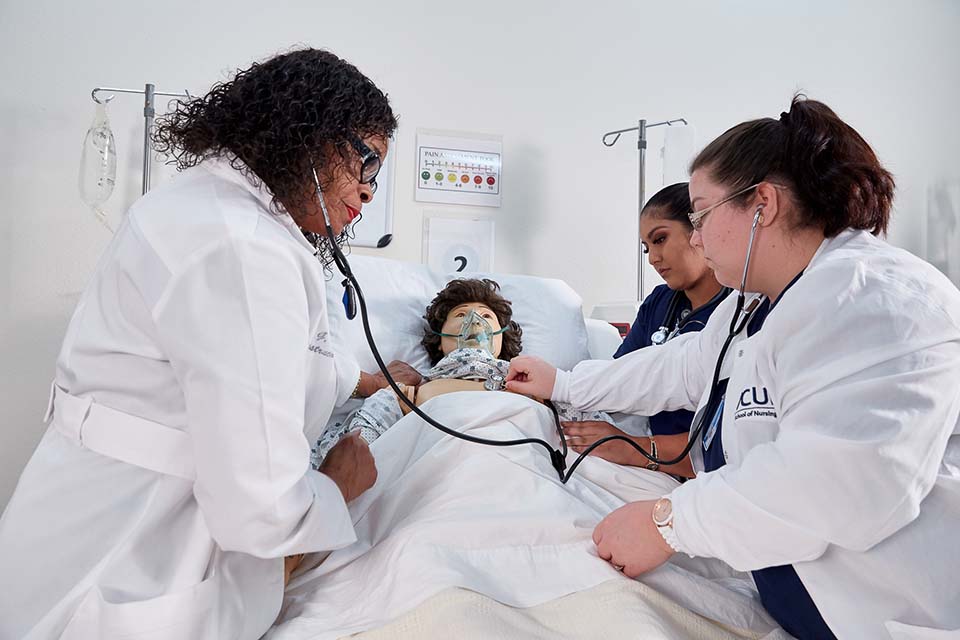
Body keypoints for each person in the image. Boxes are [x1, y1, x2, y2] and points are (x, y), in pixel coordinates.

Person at [0, 48, 420, 640]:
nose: (370, 192)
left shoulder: (210, 206)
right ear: (310, 134)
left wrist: (367, 381)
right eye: (367, 162)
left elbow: (273, 354)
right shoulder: (245, 248)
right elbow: (262, 514)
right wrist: (337, 483)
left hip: (81, 518)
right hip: (131, 561)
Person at [505, 96, 960, 638]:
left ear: (761, 203)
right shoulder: (753, 304)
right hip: (783, 590)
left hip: (886, 614)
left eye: (699, 215)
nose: (694, 237)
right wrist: (563, 381)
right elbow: (677, 366)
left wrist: (667, 524)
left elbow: (841, 484)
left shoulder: (877, 299)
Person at [313, 278, 615, 462]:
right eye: (461, 315)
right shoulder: (406, 394)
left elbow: (602, 438)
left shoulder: (539, 387)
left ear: (502, 337)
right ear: (439, 338)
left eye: (486, 316)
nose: (475, 322)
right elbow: (342, 455)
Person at [562, 183, 729, 478]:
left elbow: (724, 445)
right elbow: (619, 379)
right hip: (648, 459)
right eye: (647, 247)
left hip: (692, 471)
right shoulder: (659, 302)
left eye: (660, 239)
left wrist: (632, 447)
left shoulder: (735, 313)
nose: (652, 258)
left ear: (700, 230)